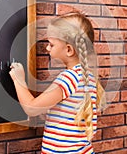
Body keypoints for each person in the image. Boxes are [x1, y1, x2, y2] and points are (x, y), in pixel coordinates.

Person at [9, 12, 105, 154]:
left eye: (51, 44)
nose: (47, 48)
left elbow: (32, 108)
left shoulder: (68, 78)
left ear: (68, 50)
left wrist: (19, 80)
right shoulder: (88, 77)